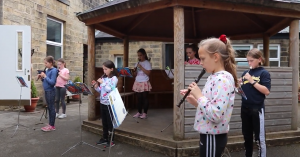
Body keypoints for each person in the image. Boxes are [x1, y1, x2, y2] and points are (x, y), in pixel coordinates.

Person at [180, 34, 237, 157]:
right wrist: (195, 101)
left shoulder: (222, 80)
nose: (200, 63)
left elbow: (216, 114)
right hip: (210, 133)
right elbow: (210, 106)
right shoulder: (213, 77)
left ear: (215, 57)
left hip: (213, 135)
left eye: (203, 59)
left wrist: (199, 96)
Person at [240, 48, 271, 157]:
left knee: (259, 137)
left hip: (257, 109)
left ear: (259, 59)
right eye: (248, 61)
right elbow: (244, 88)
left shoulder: (264, 73)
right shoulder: (246, 72)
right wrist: (238, 85)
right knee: (247, 136)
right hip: (245, 108)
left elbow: (266, 91)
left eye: (251, 60)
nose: (249, 63)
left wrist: (252, 81)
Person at [92, 60, 119, 147]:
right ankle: (105, 138)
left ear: (111, 69)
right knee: (104, 122)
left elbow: (109, 89)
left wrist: (102, 83)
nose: (104, 71)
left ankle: (111, 140)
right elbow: (101, 91)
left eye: (106, 69)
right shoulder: (104, 78)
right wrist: (96, 87)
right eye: (103, 69)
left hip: (110, 103)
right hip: (102, 102)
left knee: (110, 122)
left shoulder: (114, 79)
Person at [38, 56, 58, 132]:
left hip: (51, 91)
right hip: (47, 90)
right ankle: (50, 124)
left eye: (46, 63)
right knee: (49, 107)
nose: (45, 64)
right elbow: (46, 81)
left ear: (50, 63)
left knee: (51, 108)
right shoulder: (48, 69)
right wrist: (42, 78)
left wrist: (45, 76)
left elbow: (52, 83)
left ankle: (52, 125)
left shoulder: (54, 70)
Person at [132, 48, 152, 119]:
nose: (139, 57)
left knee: (145, 98)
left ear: (144, 55)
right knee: (139, 98)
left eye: (140, 55)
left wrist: (141, 67)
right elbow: (135, 74)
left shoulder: (147, 63)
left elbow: (148, 73)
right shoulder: (137, 63)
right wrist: (134, 71)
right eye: (138, 55)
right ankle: (139, 112)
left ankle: (145, 113)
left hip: (144, 81)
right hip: (137, 81)